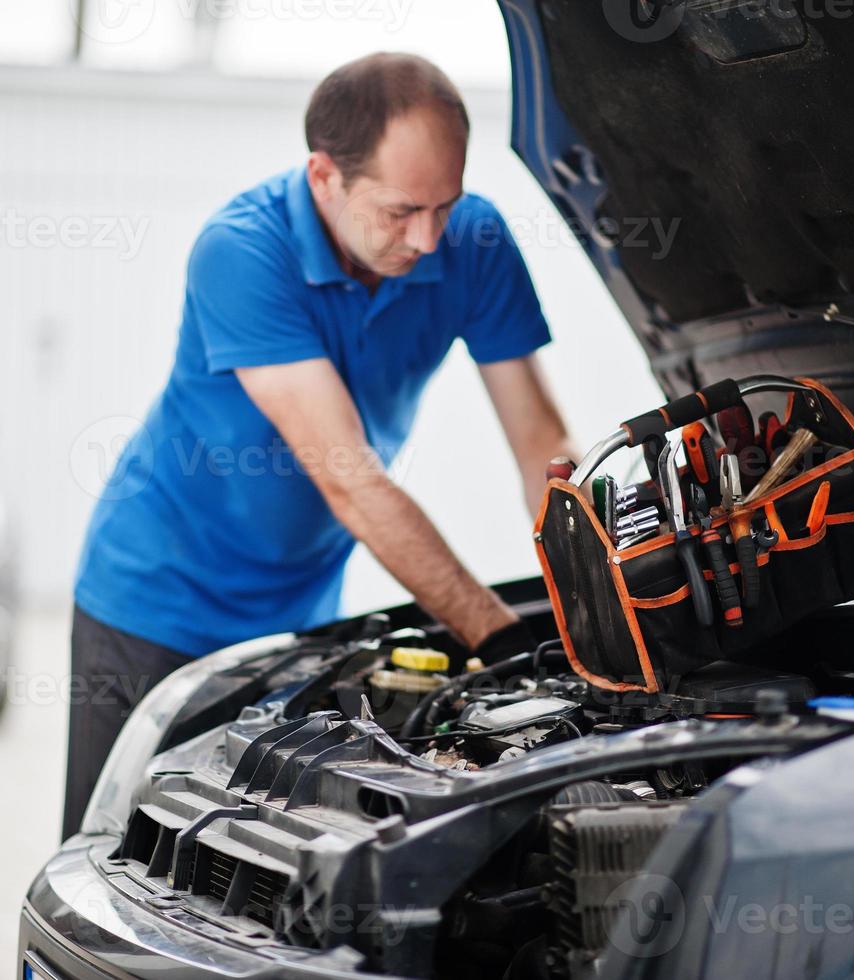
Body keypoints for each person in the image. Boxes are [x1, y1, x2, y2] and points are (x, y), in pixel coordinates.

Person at [63, 52, 578, 838]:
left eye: (447, 204)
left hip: (300, 615)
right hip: (154, 602)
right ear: (323, 176)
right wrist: (506, 637)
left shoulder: (472, 242)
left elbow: (539, 439)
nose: (430, 239)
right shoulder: (241, 250)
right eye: (402, 211)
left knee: (258, 860)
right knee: (114, 852)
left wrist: (587, 605)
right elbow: (350, 481)